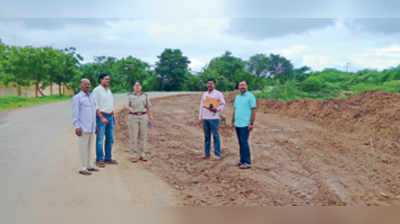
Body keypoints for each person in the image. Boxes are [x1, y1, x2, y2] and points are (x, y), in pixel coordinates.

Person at [72, 78, 99, 175]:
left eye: (89, 84)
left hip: (91, 127)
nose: (88, 86)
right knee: (82, 148)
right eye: (85, 84)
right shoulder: (77, 97)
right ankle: (82, 168)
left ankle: (89, 165)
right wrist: (77, 126)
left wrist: (95, 125)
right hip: (83, 127)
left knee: (90, 147)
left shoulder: (91, 97)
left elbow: (93, 112)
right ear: (81, 85)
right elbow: (75, 114)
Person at [92, 73, 118, 167]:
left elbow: (110, 104)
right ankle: (99, 159)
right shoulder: (97, 90)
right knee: (100, 139)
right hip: (101, 117)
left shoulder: (108, 90)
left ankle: (108, 157)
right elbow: (95, 106)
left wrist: (113, 116)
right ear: (101, 80)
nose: (108, 81)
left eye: (108, 79)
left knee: (110, 138)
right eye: (106, 79)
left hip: (110, 117)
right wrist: (101, 117)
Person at [126, 81, 153, 163]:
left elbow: (148, 107)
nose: (137, 87)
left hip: (143, 116)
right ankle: (133, 155)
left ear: (141, 87)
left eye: (139, 85)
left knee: (143, 136)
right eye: (136, 85)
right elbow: (126, 105)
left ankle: (142, 154)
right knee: (133, 136)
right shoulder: (130, 95)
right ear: (133, 87)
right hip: (133, 117)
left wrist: (150, 117)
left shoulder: (145, 95)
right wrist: (129, 109)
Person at [198, 78, 226, 160]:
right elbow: (201, 106)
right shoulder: (204, 94)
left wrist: (217, 109)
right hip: (205, 118)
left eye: (211, 83)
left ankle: (217, 154)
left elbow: (223, 104)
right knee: (207, 137)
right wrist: (200, 118)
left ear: (214, 85)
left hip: (214, 118)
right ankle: (207, 154)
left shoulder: (218, 94)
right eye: (208, 83)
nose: (209, 85)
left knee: (215, 136)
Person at [231, 81, 256, 169]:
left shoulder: (250, 96)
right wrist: (232, 121)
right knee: (241, 142)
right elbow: (235, 109)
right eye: (240, 85)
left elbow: (253, 110)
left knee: (244, 142)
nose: (242, 87)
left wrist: (251, 123)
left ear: (247, 86)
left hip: (245, 124)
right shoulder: (237, 97)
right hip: (238, 123)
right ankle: (242, 160)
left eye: (243, 85)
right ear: (238, 87)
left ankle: (247, 162)